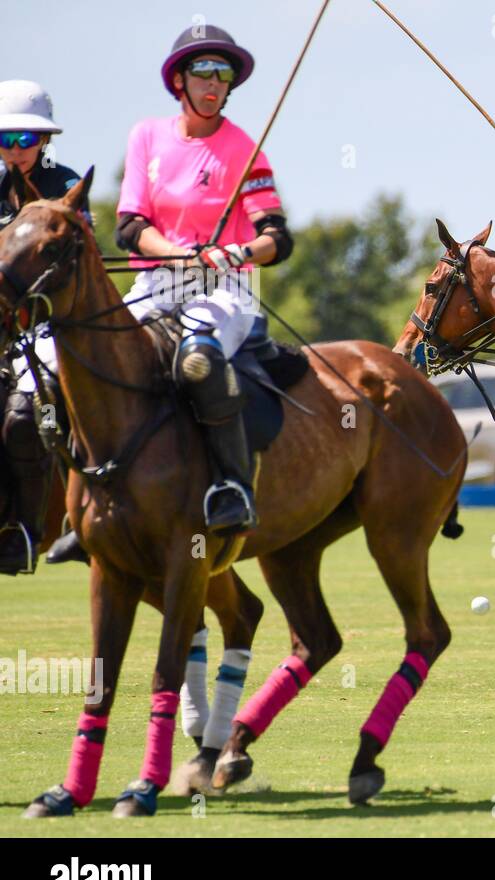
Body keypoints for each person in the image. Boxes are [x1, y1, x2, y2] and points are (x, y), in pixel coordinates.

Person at [113, 24, 294, 532]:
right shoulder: (146, 137)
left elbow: (277, 239)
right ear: (180, 81)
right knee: (91, 353)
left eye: (223, 73)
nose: (214, 82)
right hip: (154, 284)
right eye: (203, 72)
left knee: (199, 358)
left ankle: (233, 486)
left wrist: (236, 253)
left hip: (225, 291)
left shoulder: (245, 150)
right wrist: (175, 254)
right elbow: (130, 227)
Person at [0, 80, 88, 574]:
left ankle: (27, 531)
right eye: (5, 140)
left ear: (44, 141)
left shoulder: (68, 187)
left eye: (25, 140)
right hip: (3, 329)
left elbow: (81, 269)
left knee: (22, 418)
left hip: (53, 328)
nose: (15, 151)